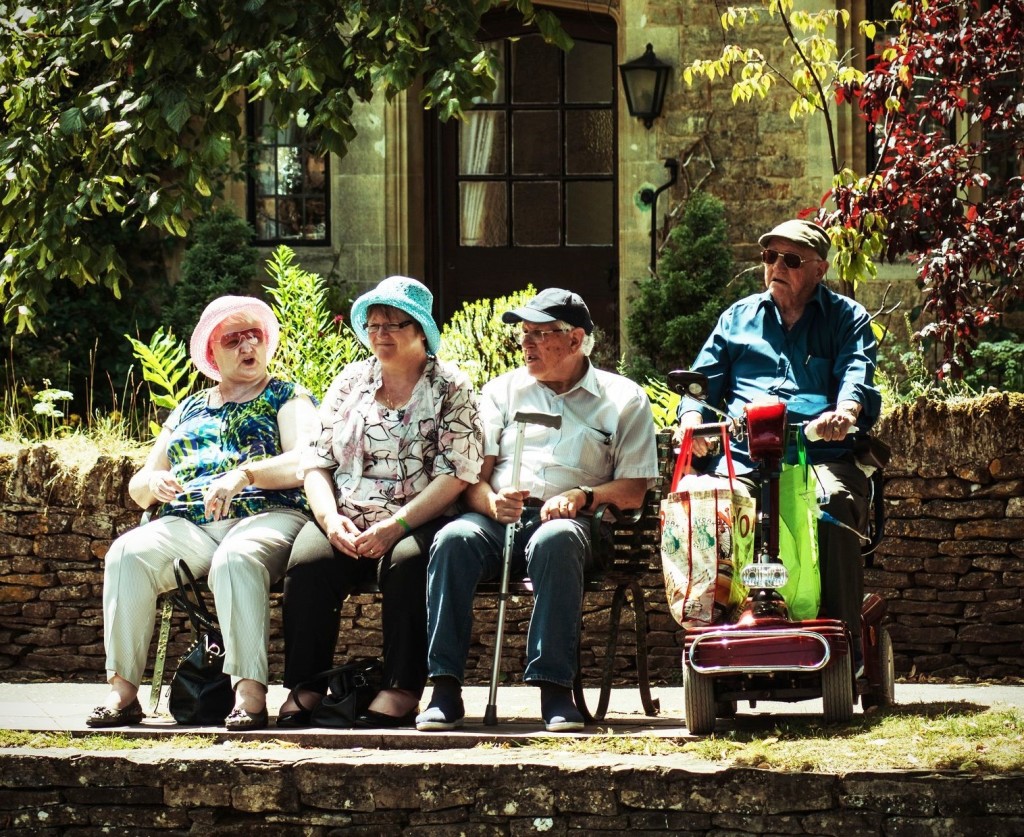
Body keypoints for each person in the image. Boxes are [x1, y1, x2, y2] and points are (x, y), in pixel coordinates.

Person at [415, 288, 660, 733]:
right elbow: (471, 477)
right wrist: (491, 502)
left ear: (575, 339)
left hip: (575, 522)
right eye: (524, 334)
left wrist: (585, 496)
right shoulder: (501, 392)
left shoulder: (622, 398)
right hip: (498, 517)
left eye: (540, 334)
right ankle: (443, 688)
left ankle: (554, 689)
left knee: (557, 538)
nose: (526, 343)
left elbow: (635, 490)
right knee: (452, 540)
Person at [88, 295, 317, 731]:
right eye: (234, 339)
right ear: (212, 353)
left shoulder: (287, 395)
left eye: (255, 336)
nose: (248, 345)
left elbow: (305, 460)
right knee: (126, 553)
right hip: (190, 524)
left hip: (266, 513)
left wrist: (243, 475)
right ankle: (122, 692)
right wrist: (152, 483)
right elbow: (140, 487)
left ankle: (249, 694)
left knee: (237, 557)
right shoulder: (189, 407)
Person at [276, 276, 483, 729]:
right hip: (347, 515)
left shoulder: (452, 387)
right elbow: (315, 461)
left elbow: (457, 473)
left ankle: (403, 687)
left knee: (409, 564)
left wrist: (397, 526)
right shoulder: (350, 380)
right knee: (308, 565)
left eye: (393, 324)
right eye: (373, 325)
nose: (381, 334)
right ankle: (306, 685)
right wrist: (330, 520)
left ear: (421, 332)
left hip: (418, 516)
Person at [678, 219, 882, 672]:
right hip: (747, 453)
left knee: (834, 507)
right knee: (713, 514)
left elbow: (857, 373)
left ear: (819, 269)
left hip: (817, 452)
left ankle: (844, 647)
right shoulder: (736, 318)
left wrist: (845, 413)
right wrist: (692, 420)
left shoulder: (847, 317)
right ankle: (714, 637)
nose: (776, 267)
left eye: (791, 259)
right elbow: (699, 387)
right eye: (769, 257)